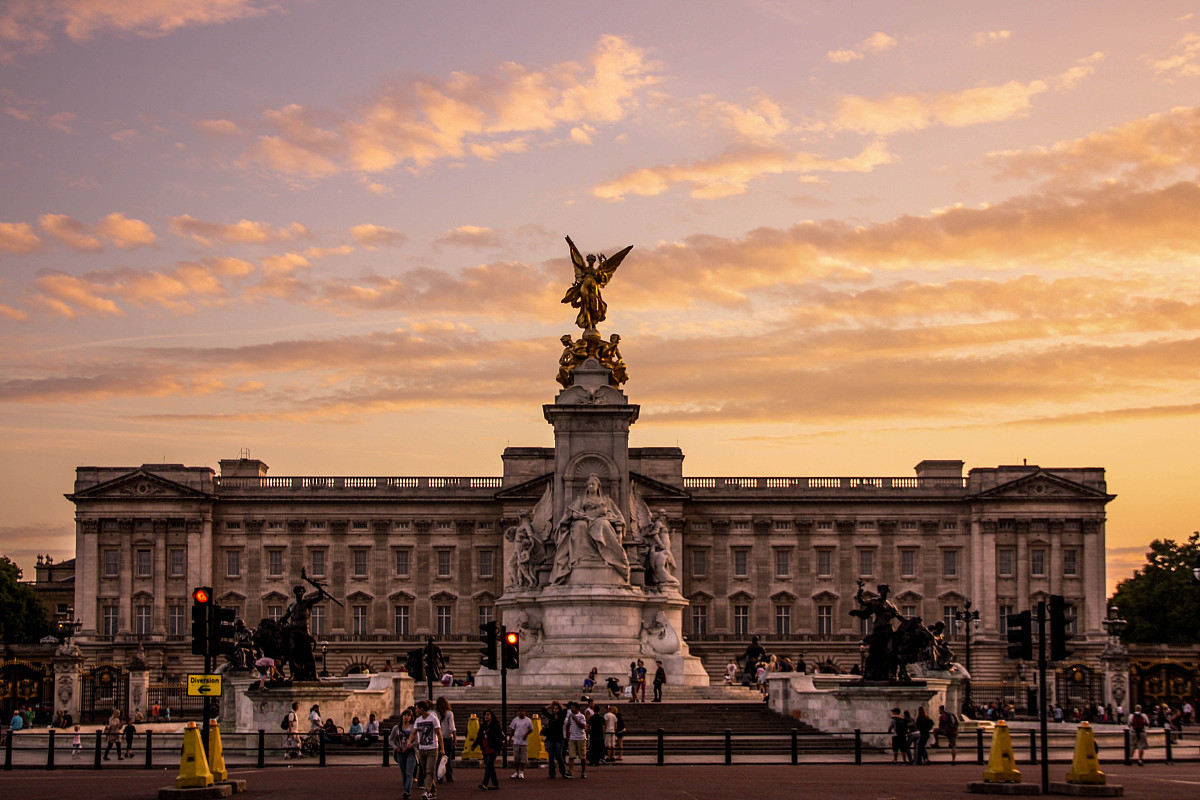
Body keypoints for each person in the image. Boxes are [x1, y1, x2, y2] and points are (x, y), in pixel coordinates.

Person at [408, 700, 443, 800]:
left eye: (417, 708)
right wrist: (409, 742)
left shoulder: (433, 718)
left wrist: (442, 748)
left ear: (422, 708)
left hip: (432, 748)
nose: (416, 710)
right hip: (422, 748)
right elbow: (414, 732)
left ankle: (426, 791)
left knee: (429, 771)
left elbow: (439, 733)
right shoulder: (418, 720)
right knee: (425, 771)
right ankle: (433, 792)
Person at [471, 709, 502, 791]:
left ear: (492, 716)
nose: (486, 716)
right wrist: (474, 745)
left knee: (488, 766)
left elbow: (498, 738)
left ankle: (485, 784)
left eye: (488, 715)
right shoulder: (483, 726)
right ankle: (495, 784)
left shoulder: (495, 726)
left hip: (492, 749)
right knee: (490, 767)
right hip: (485, 749)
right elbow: (479, 737)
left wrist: (498, 749)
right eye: (485, 715)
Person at [390, 707, 417, 798]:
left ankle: (407, 791)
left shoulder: (413, 728)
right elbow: (391, 740)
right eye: (405, 715)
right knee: (403, 773)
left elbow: (417, 741)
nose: (406, 717)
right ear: (402, 717)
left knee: (409, 772)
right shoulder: (396, 728)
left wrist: (409, 746)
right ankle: (406, 787)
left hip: (410, 752)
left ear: (411, 717)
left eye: (408, 716)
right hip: (400, 752)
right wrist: (395, 747)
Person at [541, 700, 567, 778]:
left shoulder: (561, 717)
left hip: (558, 738)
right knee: (551, 756)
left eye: (557, 708)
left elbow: (565, 709)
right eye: (554, 708)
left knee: (559, 755)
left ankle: (563, 772)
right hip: (550, 738)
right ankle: (552, 774)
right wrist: (551, 704)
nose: (555, 710)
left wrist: (559, 703)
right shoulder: (551, 717)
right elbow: (543, 710)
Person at [434, 696, 456, 783]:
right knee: (448, 757)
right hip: (447, 737)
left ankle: (439, 776)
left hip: (438, 737)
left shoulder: (435, 714)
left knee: (439, 758)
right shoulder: (449, 713)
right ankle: (449, 776)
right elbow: (452, 727)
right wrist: (455, 737)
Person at [564, 701, 588, 778]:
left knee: (582, 756)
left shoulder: (581, 716)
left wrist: (576, 720)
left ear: (577, 708)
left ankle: (583, 771)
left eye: (573, 708)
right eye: (570, 708)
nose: (571, 709)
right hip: (572, 737)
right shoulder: (570, 716)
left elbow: (583, 726)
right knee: (571, 755)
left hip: (581, 737)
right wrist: (568, 735)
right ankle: (571, 771)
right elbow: (568, 725)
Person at [509, 707, 533, 779]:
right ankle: (516, 772)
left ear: (525, 712)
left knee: (523, 758)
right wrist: (510, 740)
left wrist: (526, 734)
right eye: (519, 711)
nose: (521, 713)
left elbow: (531, 729)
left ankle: (521, 772)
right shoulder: (515, 720)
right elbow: (512, 730)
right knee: (516, 758)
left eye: (522, 711)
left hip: (524, 743)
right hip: (516, 742)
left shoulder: (528, 720)